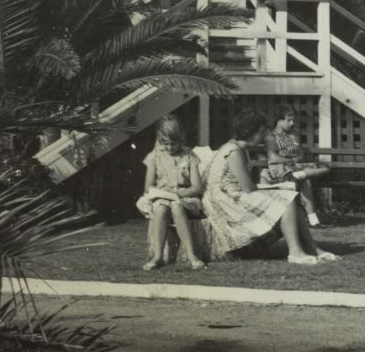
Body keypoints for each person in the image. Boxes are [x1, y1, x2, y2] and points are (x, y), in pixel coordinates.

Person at [202, 108, 339, 265]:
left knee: (289, 195)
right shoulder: (233, 151)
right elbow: (247, 187)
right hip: (225, 200)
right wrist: (278, 188)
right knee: (286, 199)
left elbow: (246, 187)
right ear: (249, 132)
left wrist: (279, 188)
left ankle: (312, 248)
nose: (262, 136)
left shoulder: (240, 149)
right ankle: (295, 252)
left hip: (234, 194)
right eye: (261, 132)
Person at [137, 114, 207, 271]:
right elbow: (148, 187)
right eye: (165, 143)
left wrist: (180, 193)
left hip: (187, 200)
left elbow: (196, 187)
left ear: (181, 138)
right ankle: (157, 256)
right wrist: (163, 193)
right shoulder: (154, 156)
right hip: (162, 198)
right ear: (159, 140)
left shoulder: (189, 156)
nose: (169, 148)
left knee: (176, 206)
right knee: (161, 208)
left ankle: (191, 255)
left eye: (173, 144)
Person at [263, 105, 330, 228]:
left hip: (295, 167)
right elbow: (273, 157)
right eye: (289, 120)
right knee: (306, 182)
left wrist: (295, 158)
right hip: (280, 169)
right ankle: (313, 221)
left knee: (325, 167)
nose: (292, 123)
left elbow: (300, 154)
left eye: (293, 120)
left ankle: (298, 175)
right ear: (280, 120)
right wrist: (291, 159)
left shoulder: (293, 135)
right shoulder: (271, 136)